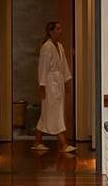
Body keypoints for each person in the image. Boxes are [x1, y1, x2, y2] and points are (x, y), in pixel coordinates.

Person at [32, 21, 75, 154]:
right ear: (51, 32)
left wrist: (67, 82)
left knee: (47, 114)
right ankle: (63, 144)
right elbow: (42, 67)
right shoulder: (46, 47)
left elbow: (64, 65)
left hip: (59, 82)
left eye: (60, 28)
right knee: (54, 113)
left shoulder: (60, 47)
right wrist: (42, 85)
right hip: (50, 84)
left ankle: (37, 142)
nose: (60, 31)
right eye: (57, 29)